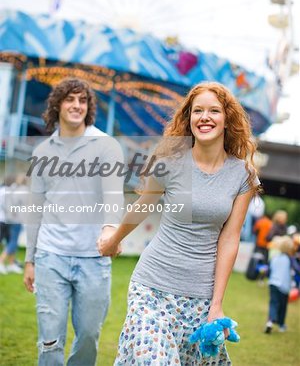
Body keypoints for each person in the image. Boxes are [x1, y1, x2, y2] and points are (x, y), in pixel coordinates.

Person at [99, 82, 260, 365]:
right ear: (189, 119)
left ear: (227, 120)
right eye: (197, 111)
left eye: (214, 110)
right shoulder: (169, 161)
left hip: (199, 298)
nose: (204, 117)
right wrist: (113, 240)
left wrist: (217, 305)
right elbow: (143, 206)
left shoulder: (242, 175)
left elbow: (229, 238)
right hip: (152, 288)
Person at [23, 78, 124, 366]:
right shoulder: (41, 152)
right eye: (70, 99)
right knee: (50, 340)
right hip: (50, 257)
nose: (76, 105)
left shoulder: (106, 146)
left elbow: (113, 195)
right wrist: (30, 259)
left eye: (83, 100)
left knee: (89, 336)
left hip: (93, 258)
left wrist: (110, 231)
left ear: (89, 107)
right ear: (57, 104)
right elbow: (35, 209)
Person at [264, 235, 294, 334]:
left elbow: (269, 270)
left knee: (273, 303)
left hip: (273, 283)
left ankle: (270, 322)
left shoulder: (275, 257)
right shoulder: (290, 260)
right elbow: (296, 270)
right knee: (282, 306)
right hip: (283, 286)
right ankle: (281, 325)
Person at [0, 174, 28, 274]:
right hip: (12, 220)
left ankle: (11, 264)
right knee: (12, 242)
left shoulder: (11, 190)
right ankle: (2, 261)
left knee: (10, 242)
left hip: (9, 220)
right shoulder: (18, 191)